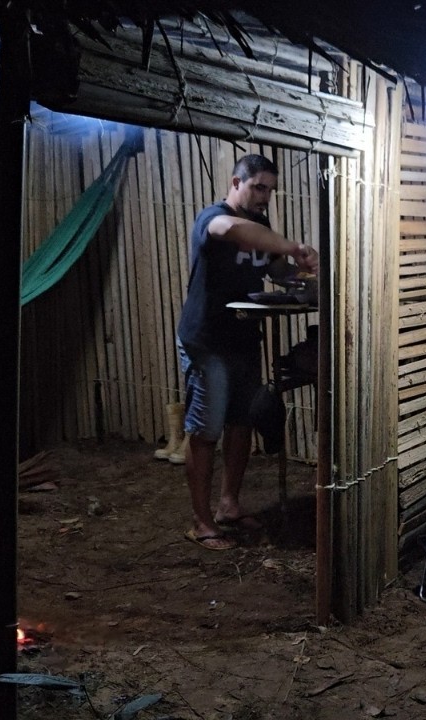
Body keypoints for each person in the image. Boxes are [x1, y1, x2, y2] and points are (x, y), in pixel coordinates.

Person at [176, 153, 320, 551]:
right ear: (236, 183)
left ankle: (228, 506)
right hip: (207, 339)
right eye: (259, 187)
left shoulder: (261, 225)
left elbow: (276, 270)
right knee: (206, 431)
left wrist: (305, 276)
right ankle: (201, 522)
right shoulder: (214, 218)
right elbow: (233, 231)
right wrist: (294, 245)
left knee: (240, 424)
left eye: (271, 190)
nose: (265, 196)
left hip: (242, 336)